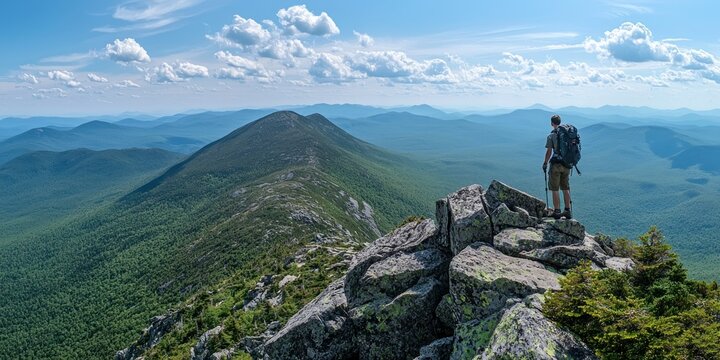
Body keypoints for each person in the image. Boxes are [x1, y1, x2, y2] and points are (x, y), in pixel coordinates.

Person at [543, 114, 572, 219]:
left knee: (555, 189)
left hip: (556, 165)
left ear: (552, 123)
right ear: (559, 122)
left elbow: (549, 151)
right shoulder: (567, 133)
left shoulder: (552, 135)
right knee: (565, 188)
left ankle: (557, 211)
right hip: (567, 165)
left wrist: (545, 163)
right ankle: (567, 210)